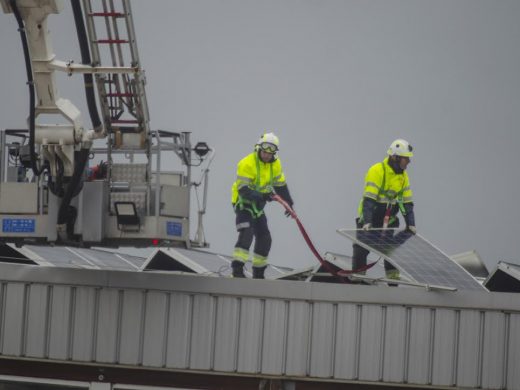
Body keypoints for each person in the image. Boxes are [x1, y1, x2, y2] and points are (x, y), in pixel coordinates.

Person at [230, 132, 294, 279]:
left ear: (274, 153)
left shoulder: (276, 165)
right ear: (259, 148)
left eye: (270, 153)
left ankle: (258, 275)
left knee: (265, 238)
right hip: (242, 202)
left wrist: (289, 203)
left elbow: (281, 185)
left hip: (258, 205)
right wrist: (264, 196)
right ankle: (237, 271)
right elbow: (243, 191)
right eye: (264, 151)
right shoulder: (246, 163)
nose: (266, 155)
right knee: (247, 232)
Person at [352, 139, 416, 280]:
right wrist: (367, 221)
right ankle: (358, 280)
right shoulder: (377, 170)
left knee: (391, 251)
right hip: (370, 219)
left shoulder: (404, 177)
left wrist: (411, 223)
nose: (408, 162)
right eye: (406, 159)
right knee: (361, 250)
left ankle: (393, 283)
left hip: (389, 220)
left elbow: (406, 203)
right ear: (395, 157)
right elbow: (369, 199)